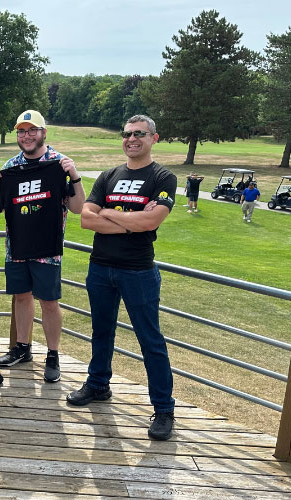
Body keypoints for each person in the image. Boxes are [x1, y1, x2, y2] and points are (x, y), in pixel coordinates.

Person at [69, 114, 178, 441]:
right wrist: (130, 220)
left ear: (153, 138)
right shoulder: (108, 176)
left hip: (138, 271)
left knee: (150, 340)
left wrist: (108, 213)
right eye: (127, 134)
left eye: (139, 134)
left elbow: (150, 222)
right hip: (100, 267)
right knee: (101, 331)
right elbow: (86, 220)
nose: (131, 139)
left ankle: (164, 408)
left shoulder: (163, 177)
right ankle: (98, 384)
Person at [0, 109, 85, 384]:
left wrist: (74, 175)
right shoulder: (10, 167)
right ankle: (22, 347)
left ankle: (53, 355)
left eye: (32, 130)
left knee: (49, 302)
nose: (27, 136)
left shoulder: (59, 164)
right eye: (22, 131)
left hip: (47, 248)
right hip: (16, 246)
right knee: (21, 297)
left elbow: (78, 208)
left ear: (44, 133)